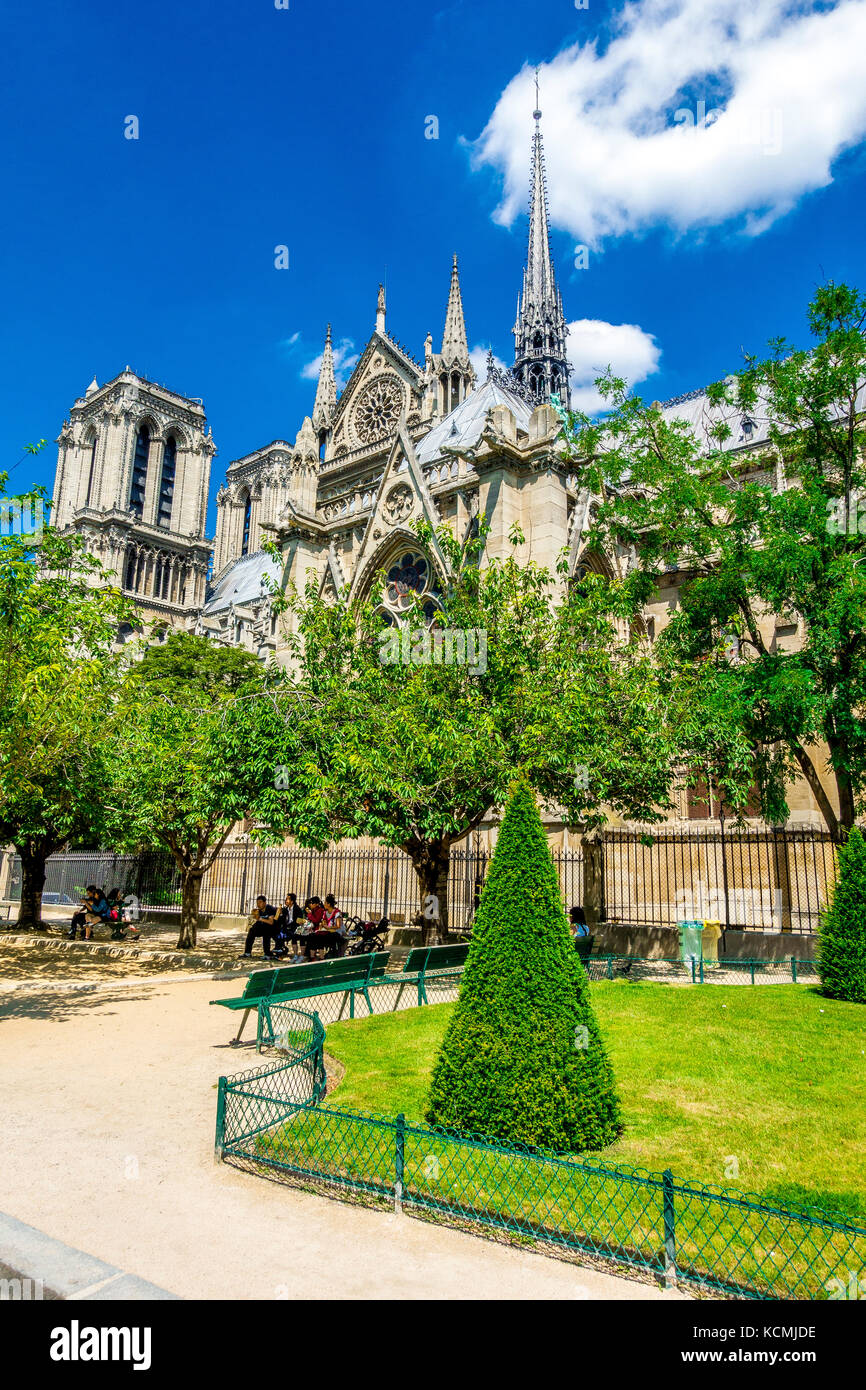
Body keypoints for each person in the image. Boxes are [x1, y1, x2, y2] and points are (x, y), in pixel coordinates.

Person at [241, 895, 278, 959]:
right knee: (252, 930)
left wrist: (260, 918)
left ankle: (267, 954)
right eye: (257, 902)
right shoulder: (259, 911)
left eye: (260, 902)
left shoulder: (269, 908)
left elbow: (271, 922)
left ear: (265, 903)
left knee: (266, 932)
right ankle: (247, 953)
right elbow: (258, 921)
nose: (258, 904)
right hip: (264, 927)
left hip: (274, 928)